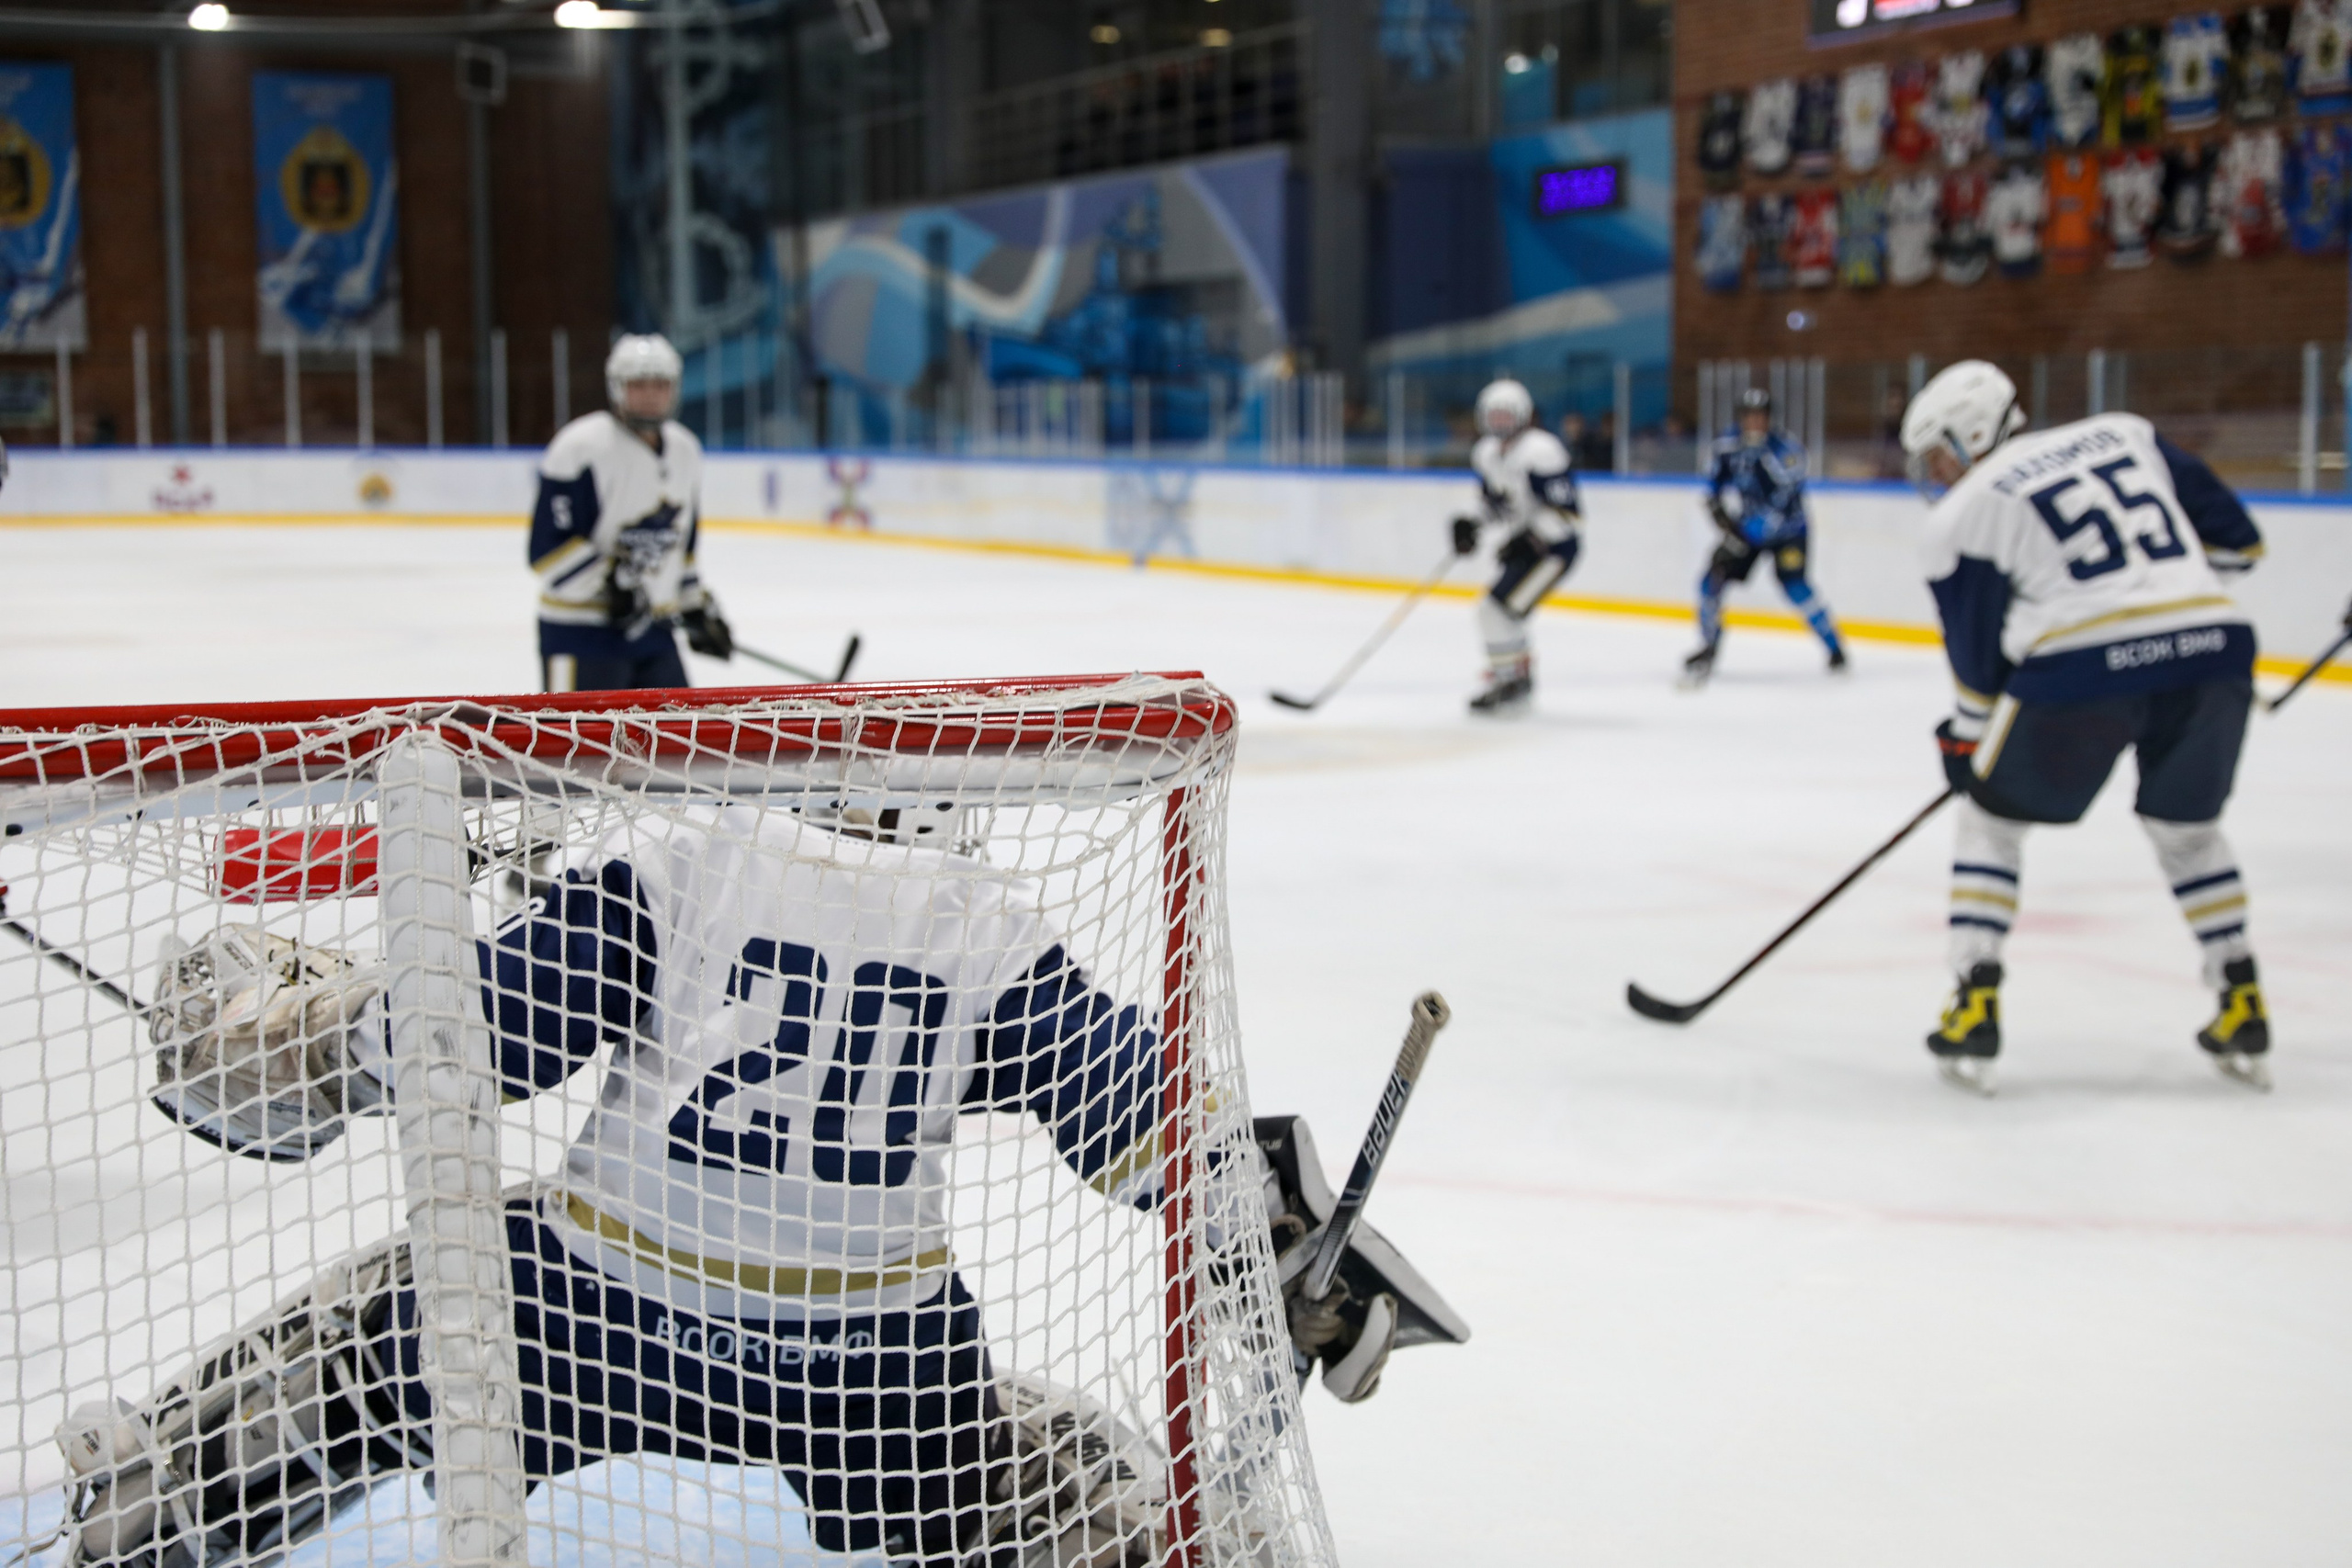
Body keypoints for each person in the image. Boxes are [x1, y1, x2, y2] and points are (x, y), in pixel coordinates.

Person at [59, 805, 1459, 1568]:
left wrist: (296, 1031)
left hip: (581, 1313)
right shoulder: (978, 922)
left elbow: (472, 1038)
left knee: (350, 1355)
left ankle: (149, 1506)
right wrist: (1280, 1248)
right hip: (871, 1364)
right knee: (1065, 1472)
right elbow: (1144, 1126)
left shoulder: (690, 862)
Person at [1899, 359, 2269, 1095]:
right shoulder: (2124, 433)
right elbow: (2238, 545)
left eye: (1940, 452)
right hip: (2214, 650)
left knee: (1990, 823)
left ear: (1975, 433)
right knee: (2188, 831)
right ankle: (2241, 992)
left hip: (2080, 670)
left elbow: (1978, 669)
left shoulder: (1965, 511)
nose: (1937, 472)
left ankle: (1974, 999)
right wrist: (2162, 612)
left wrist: (1965, 743)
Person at [530, 334, 733, 693]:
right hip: (580, 634)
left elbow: (680, 546)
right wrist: (612, 583)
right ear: (617, 387)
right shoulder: (580, 447)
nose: (651, 394)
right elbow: (546, 551)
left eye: (661, 384)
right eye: (639, 384)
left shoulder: (686, 449)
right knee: (578, 748)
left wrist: (693, 606)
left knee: (676, 744)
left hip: (654, 634)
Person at [1683, 388, 1847, 687]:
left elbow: (1784, 501)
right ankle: (1709, 646)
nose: (1755, 422)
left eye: (1761, 416)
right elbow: (1714, 482)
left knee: (1796, 586)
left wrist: (1744, 533)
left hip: (1789, 532)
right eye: (1749, 416)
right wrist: (1717, 510)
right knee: (1711, 579)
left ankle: (1834, 647)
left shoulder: (1786, 450)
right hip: (1748, 529)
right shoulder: (1728, 445)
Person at [1453, 378, 1582, 713]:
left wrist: (1530, 539)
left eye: (1506, 416)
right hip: (1530, 546)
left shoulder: (1542, 451)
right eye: (1493, 416)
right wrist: (1471, 524)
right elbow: (1499, 504)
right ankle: (1513, 678)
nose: (1499, 424)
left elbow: (1567, 514)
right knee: (1498, 612)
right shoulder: (1486, 454)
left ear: (1523, 416)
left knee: (1498, 611)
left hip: (1554, 552)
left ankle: (1510, 681)